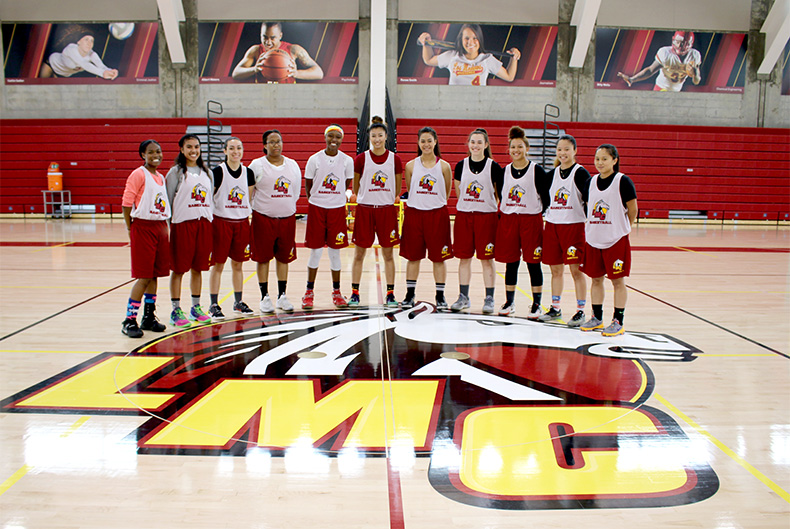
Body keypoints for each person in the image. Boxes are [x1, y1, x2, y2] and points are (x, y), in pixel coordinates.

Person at [580, 144, 638, 337]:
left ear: (614, 160)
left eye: (605, 158)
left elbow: (633, 209)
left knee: (617, 281)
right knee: (596, 280)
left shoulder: (623, 181)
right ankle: (597, 317)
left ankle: (618, 320)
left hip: (615, 240)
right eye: (597, 159)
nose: (600, 162)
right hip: (594, 239)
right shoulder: (591, 182)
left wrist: (622, 228)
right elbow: (589, 207)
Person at [494, 126, 551, 318]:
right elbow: (500, 195)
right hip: (509, 220)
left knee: (533, 263)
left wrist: (535, 213)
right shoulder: (504, 172)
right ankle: (509, 302)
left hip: (530, 220)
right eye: (512, 147)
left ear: (526, 148)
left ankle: (536, 304)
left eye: (519, 147)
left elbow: (546, 198)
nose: (516, 150)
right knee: (511, 262)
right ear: (508, 149)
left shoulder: (537, 171)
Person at [350, 117, 403, 307]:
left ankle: (390, 293)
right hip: (365, 210)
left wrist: (385, 198)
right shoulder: (361, 159)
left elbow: (397, 188)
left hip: (386, 211)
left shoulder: (394, 159)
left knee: (388, 255)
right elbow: (356, 186)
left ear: (386, 137)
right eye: (374, 136)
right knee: (359, 254)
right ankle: (355, 293)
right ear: (369, 137)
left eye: (380, 135)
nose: (377, 139)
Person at [120, 140, 170, 338]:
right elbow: (126, 202)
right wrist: (129, 226)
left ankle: (148, 317)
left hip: (159, 226)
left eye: (158, 151)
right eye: (150, 152)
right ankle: (129, 319)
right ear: (143, 154)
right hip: (143, 225)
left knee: (155, 274)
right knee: (144, 276)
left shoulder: (161, 176)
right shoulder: (138, 174)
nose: (155, 155)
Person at [400, 127, 454, 311]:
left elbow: (446, 192)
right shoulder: (410, 166)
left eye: (429, 140)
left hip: (437, 214)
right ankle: (409, 294)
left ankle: (440, 295)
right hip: (415, 214)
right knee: (413, 258)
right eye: (423, 141)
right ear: (418, 143)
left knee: (439, 259)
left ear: (435, 142)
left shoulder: (444, 166)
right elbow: (410, 188)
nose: (426, 144)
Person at [302, 125, 355, 310]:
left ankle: (337, 292)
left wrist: (335, 197)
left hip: (337, 209)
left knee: (335, 252)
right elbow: (308, 184)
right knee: (315, 252)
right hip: (317, 208)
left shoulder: (347, 161)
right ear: (325, 137)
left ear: (342, 139)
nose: (334, 140)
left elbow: (347, 182)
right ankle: (308, 292)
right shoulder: (314, 159)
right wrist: (316, 198)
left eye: (338, 137)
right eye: (331, 136)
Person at [451, 128, 503, 313]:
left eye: (479, 142)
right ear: (469, 144)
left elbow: (498, 195)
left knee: (487, 260)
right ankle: (463, 296)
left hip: (486, 217)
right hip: (465, 215)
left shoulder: (494, 167)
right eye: (473, 142)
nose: (475, 145)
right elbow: (458, 192)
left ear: (486, 145)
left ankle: (489, 298)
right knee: (464, 259)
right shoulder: (460, 165)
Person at [248, 130, 301, 313]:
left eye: (278, 141)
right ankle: (264, 297)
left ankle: (282, 296)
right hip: (263, 218)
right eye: (271, 142)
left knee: (283, 258)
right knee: (263, 259)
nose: (276, 145)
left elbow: (295, 191)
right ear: (264, 145)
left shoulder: (292, 165)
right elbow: (250, 191)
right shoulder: (257, 165)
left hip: (286, 219)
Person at [541, 134, 591, 327]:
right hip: (553, 225)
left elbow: (589, 199)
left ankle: (580, 311)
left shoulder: (580, 173)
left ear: (575, 151)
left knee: (576, 270)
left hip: (573, 226)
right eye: (560, 149)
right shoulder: (551, 174)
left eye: (567, 149)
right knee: (555, 270)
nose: (563, 153)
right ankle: (555, 307)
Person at [165, 134, 214, 329]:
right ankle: (176, 310)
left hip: (203, 224)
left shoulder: (207, 172)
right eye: (189, 147)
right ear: (182, 150)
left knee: (198, 268)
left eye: (196, 147)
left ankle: (195, 307)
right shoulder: (175, 173)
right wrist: (171, 226)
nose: (194, 150)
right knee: (178, 269)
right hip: (182, 224)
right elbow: (168, 202)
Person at [208, 136, 256, 320]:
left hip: (242, 222)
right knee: (218, 265)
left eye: (239, 148)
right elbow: (210, 197)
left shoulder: (248, 173)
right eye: (232, 148)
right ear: (225, 151)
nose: (236, 151)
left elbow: (248, 198)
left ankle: (238, 302)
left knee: (238, 264)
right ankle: (214, 304)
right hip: (221, 222)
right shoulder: (217, 172)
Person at [416, 24, 521, 86]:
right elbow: (428, 59)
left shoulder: (487, 59)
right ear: (461, 40)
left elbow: (509, 76)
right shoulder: (452, 56)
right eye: (466, 38)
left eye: (475, 38)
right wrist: (426, 43)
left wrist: (514, 57)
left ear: (479, 40)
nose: (470, 42)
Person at [231, 22, 324, 82]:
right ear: (260, 35)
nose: (268, 42)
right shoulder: (255, 50)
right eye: (265, 37)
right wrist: (254, 69)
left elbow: (319, 73)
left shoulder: (294, 50)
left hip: (287, 95)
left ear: (280, 36)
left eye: (272, 38)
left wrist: (296, 73)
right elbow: (236, 73)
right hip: (263, 94)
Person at [617, 31, 701, 92]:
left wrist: (695, 74)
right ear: (673, 40)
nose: (680, 46)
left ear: (691, 44)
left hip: (677, 91)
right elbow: (650, 70)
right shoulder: (665, 53)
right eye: (678, 42)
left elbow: (696, 81)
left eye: (685, 43)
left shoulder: (694, 55)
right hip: (661, 88)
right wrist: (632, 79)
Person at [40, 30, 118, 80]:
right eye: (86, 39)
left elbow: (101, 66)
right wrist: (102, 73)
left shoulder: (92, 54)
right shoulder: (71, 49)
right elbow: (84, 64)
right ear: (79, 42)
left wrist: (110, 71)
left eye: (92, 41)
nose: (89, 43)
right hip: (50, 66)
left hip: (61, 75)